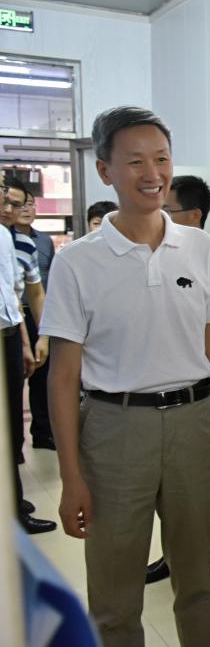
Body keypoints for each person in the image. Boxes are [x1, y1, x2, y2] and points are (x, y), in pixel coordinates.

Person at [43, 106, 210, 647]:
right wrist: (70, 475)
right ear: (105, 171)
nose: (152, 173)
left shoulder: (200, 248)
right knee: (115, 595)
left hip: (193, 423)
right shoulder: (77, 262)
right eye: (135, 161)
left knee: (197, 580)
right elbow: (63, 376)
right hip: (114, 428)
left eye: (161, 158)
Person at [144, 174, 210, 587]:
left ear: (194, 215)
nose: (159, 216)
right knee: (170, 483)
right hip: (165, 390)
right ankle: (177, 554)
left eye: (167, 210)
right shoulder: (156, 257)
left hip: (206, 389)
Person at [0, 183, 55, 534]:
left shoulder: (14, 240)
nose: (8, 207)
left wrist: (29, 339)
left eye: (13, 201)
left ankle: (14, 503)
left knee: (10, 427)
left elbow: (16, 296)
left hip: (9, 333)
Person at [1, 180, 49, 463]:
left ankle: (14, 462)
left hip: (13, 327)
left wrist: (39, 337)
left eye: (16, 204)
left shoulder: (23, 243)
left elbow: (28, 294)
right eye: (6, 200)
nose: (9, 209)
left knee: (13, 403)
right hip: (14, 325)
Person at [15, 190, 56, 450]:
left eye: (30, 204)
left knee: (42, 376)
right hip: (14, 316)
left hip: (40, 313)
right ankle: (14, 441)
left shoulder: (43, 241)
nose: (25, 209)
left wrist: (46, 330)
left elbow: (46, 282)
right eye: (19, 204)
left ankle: (42, 433)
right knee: (15, 377)